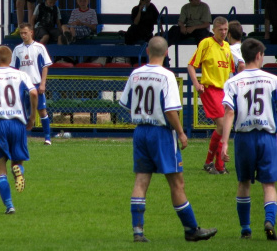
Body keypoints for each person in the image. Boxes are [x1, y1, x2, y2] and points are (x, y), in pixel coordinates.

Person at [119, 36, 217, 243]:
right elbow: (171, 110)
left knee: (141, 180)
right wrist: (181, 132)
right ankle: (191, 229)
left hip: (140, 132)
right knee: (177, 183)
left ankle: (138, 231)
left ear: (147, 51)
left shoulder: (135, 73)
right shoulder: (166, 76)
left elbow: (127, 103)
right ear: (166, 53)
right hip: (161, 133)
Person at [221, 38, 277, 240]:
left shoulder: (233, 82)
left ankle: (245, 229)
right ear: (259, 55)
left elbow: (228, 112)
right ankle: (269, 219)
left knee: (243, 182)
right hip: (267, 136)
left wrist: (224, 142)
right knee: (269, 184)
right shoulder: (273, 80)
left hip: (244, 138)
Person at [0, 46, 38, 214]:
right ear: (11, 60)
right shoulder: (21, 74)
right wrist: (32, 116)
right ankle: (19, 170)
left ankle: (9, 205)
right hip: (17, 122)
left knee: (0, 168)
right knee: (18, 161)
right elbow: (34, 94)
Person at [187, 16, 235, 174]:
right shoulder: (206, 43)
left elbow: (231, 72)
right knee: (222, 125)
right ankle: (218, 165)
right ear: (213, 30)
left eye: (225, 29)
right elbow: (191, 65)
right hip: (209, 89)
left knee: (223, 127)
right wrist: (196, 83)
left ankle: (210, 163)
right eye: (220, 29)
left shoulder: (227, 47)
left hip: (223, 91)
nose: (223, 32)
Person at [11, 23, 53, 144]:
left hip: (36, 84)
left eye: (25, 33)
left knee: (42, 110)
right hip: (22, 86)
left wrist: (43, 83)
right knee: (21, 112)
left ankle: (47, 137)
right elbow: (14, 68)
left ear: (31, 32)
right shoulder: (17, 49)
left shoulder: (40, 47)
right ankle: (22, 138)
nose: (23, 35)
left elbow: (45, 66)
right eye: (21, 33)